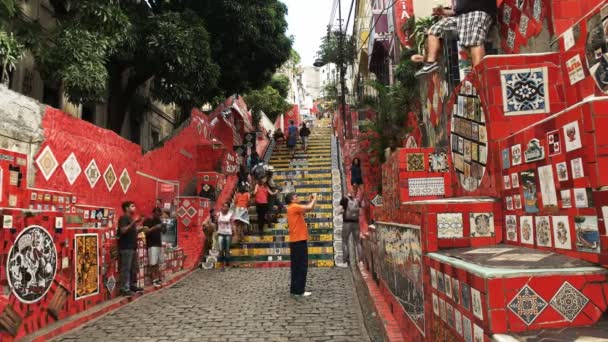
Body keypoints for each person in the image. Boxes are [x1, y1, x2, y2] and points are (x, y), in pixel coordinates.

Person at [415, 0, 496, 77]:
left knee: (474, 41)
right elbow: (456, 11)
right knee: (434, 30)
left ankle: (479, 75)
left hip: (478, 11)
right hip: (459, 17)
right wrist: (442, 11)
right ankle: (430, 63)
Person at [285, 192, 317, 297]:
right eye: (295, 197)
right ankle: (299, 290)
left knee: (296, 266)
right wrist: (314, 198)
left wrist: (310, 200)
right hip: (299, 240)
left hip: (295, 240)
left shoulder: (292, 207)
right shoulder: (294, 207)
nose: (297, 198)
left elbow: (307, 207)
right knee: (301, 266)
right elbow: (309, 207)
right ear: (291, 200)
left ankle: (295, 289)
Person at [117, 201, 146, 296]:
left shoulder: (130, 219)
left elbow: (132, 232)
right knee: (126, 268)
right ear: (126, 208)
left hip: (133, 247)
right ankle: (125, 288)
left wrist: (141, 229)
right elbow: (123, 230)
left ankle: (132, 285)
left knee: (133, 268)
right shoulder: (124, 218)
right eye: (132, 206)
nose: (134, 208)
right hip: (126, 247)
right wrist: (134, 221)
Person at [143, 207, 167, 287]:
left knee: (158, 263)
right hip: (151, 244)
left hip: (158, 244)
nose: (158, 216)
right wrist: (155, 227)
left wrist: (164, 227)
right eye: (157, 214)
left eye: (159, 215)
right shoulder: (147, 221)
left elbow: (163, 232)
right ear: (153, 213)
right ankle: (154, 280)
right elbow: (146, 232)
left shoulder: (159, 220)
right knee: (153, 263)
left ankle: (159, 279)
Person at [339, 193, 361, 267]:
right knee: (358, 242)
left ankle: (346, 260)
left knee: (344, 241)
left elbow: (341, 209)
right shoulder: (356, 201)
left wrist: (341, 212)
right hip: (356, 223)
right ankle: (361, 260)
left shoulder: (344, 200)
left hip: (347, 223)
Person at [216, 202, 234, 270]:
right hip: (220, 233)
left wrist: (233, 231)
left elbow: (232, 224)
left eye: (226, 207)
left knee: (227, 249)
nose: (225, 208)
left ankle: (227, 263)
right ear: (222, 207)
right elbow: (216, 223)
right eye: (224, 206)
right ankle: (222, 265)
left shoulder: (230, 215)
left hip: (228, 233)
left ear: (228, 208)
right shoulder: (218, 214)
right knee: (221, 250)